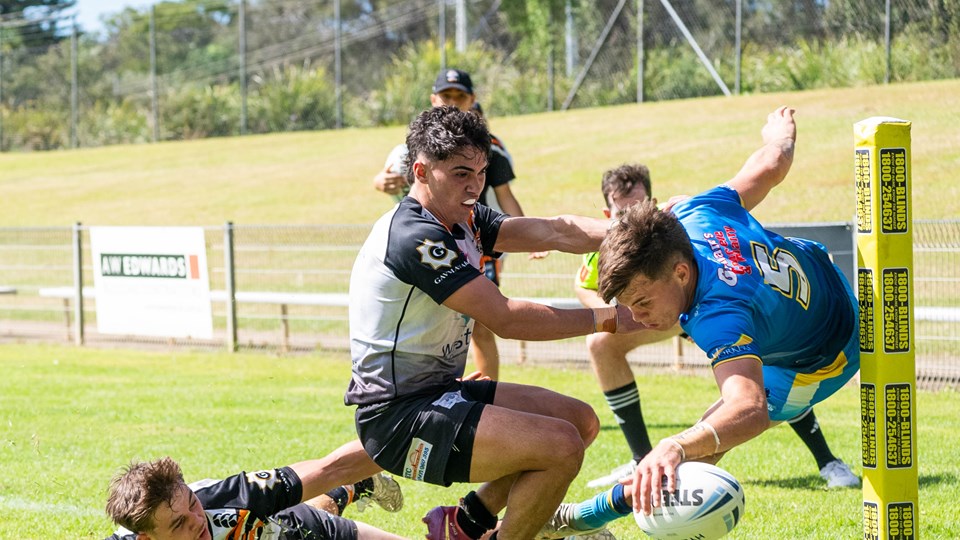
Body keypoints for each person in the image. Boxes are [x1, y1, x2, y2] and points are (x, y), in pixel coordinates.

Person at [346, 105, 644, 540]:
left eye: (481, 173)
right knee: (560, 448)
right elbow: (504, 318)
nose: (475, 187)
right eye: (461, 173)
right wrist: (613, 318)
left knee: (580, 422)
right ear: (421, 171)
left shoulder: (460, 218)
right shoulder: (417, 236)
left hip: (437, 393)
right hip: (399, 417)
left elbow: (554, 232)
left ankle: (465, 524)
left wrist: (637, 227)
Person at [595, 106, 861, 517]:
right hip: (824, 272)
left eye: (643, 302)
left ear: (681, 273)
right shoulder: (691, 213)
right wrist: (780, 136)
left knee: (703, 443)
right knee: (701, 440)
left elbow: (749, 409)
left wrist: (674, 444)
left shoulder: (717, 316)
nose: (637, 318)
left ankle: (582, 518)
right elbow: (771, 164)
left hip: (828, 354)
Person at [371, 68, 530, 381]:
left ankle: (486, 401)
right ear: (433, 99)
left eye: (461, 96)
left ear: (473, 99)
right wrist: (380, 181)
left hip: (475, 242)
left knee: (483, 323)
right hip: (425, 243)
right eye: (447, 96)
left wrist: (523, 231)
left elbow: (505, 194)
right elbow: (387, 175)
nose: (454, 102)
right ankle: (431, 394)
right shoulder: (416, 145)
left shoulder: (491, 147)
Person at [104, 456, 405, 540]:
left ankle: (356, 486)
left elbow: (330, 468)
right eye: (179, 523)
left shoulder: (238, 498)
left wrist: (405, 446)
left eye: (193, 505)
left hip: (289, 531)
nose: (198, 523)